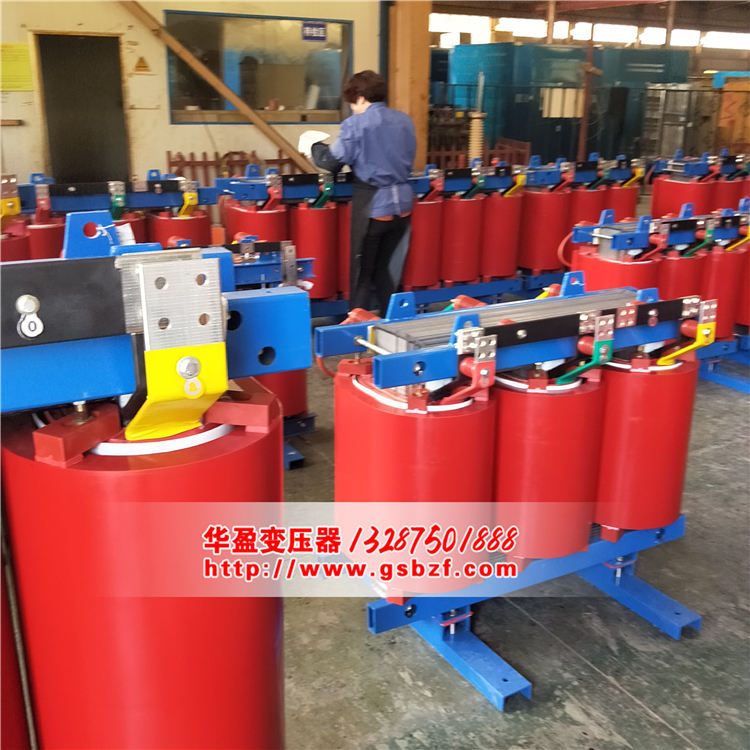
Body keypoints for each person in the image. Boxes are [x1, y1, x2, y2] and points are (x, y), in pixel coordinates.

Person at [310, 70, 416, 314]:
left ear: (360, 98)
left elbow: (332, 162)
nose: (352, 108)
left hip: (374, 207)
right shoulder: (404, 120)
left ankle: (357, 329)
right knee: (391, 272)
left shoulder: (355, 124)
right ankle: (395, 324)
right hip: (403, 208)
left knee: (362, 275)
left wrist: (314, 147)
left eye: (352, 103)